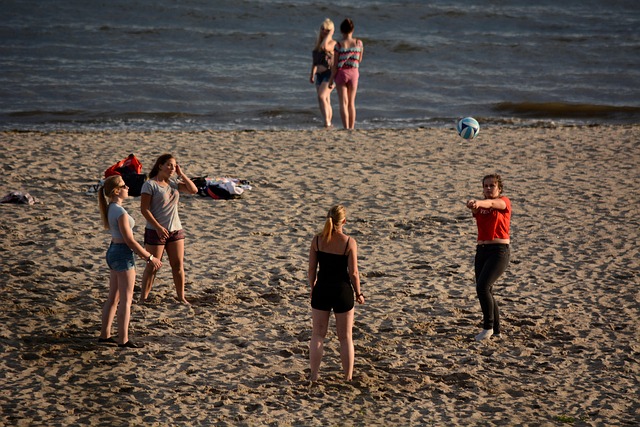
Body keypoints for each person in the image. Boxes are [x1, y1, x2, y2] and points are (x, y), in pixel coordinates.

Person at [98, 175, 162, 348]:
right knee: (126, 299)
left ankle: (105, 335)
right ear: (117, 191)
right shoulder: (120, 212)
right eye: (124, 186)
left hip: (113, 251)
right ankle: (123, 339)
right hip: (122, 253)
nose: (128, 188)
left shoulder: (112, 208)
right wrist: (149, 257)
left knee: (113, 297)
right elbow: (130, 241)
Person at [308, 205, 364, 382]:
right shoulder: (349, 242)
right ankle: (347, 377)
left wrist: (312, 288)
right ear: (344, 221)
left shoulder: (317, 240)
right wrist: (359, 293)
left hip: (322, 289)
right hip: (342, 291)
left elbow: (311, 270)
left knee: (318, 334)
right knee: (345, 337)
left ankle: (314, 376)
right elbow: (353, 273)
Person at [139, 154, 198, 304]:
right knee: (153, 266)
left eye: (174, 165)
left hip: (176, 230)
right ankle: (143, 299)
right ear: (160, 166)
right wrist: (158, 227)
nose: (172, 168)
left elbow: (193, 190)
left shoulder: (173, 183)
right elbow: (144, 210)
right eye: (169, 165)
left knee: (178, 266)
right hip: (155, 231)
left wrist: (181, 174)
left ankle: (181, 297)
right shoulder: (150, 185)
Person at [466, 174, 511, 341]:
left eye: (492, 185)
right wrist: (472, 204)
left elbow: (491, 203)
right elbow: (477, 209)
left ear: (499, 188)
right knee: (487, 290)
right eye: (485, 186)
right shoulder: (481, 207)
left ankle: (488, 328)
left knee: (482, 287)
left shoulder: (504, 202)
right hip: (482, 250)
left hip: (499, 251)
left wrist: (477, 202)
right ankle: (497, 331)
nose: (488, 188)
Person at [328, 18, 364, 130]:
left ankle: (346, 127)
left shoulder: (338, 45)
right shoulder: (359, 43)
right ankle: (352, 128)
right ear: (352, 29)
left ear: (341, 30)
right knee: (351, 103)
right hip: (354, 72)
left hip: (341, 73)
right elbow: (359, 60)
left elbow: (335, 65)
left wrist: (330, 80)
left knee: (343, 102)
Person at [310, 19, 337, 128]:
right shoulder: (318, 44)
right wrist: (312, 74)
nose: (324, 31)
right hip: (319, 75)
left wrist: (329, 36)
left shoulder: (332, 43)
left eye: (327, 30)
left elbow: (324, 47)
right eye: (322, 29)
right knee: (324, 99)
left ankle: (327, 123)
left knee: (322, 96)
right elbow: (314, 62)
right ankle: (328, 122)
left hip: (329, 74)